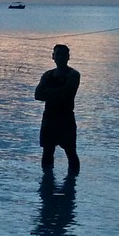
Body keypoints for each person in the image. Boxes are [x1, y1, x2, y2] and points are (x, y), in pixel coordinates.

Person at [34, 43, 80, 175]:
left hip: (66, 118)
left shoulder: (73, 74)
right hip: (49, 118)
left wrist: (48, 92)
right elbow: (37, 95)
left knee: (71, 152)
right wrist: (55, 93)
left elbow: (66, 93)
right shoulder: (48, 75)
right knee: (47, 151)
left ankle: (72, 183)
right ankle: (47, 180)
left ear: (68, 57)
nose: (60, 57)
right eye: (57, 54)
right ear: (53, 57)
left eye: (63, 55)